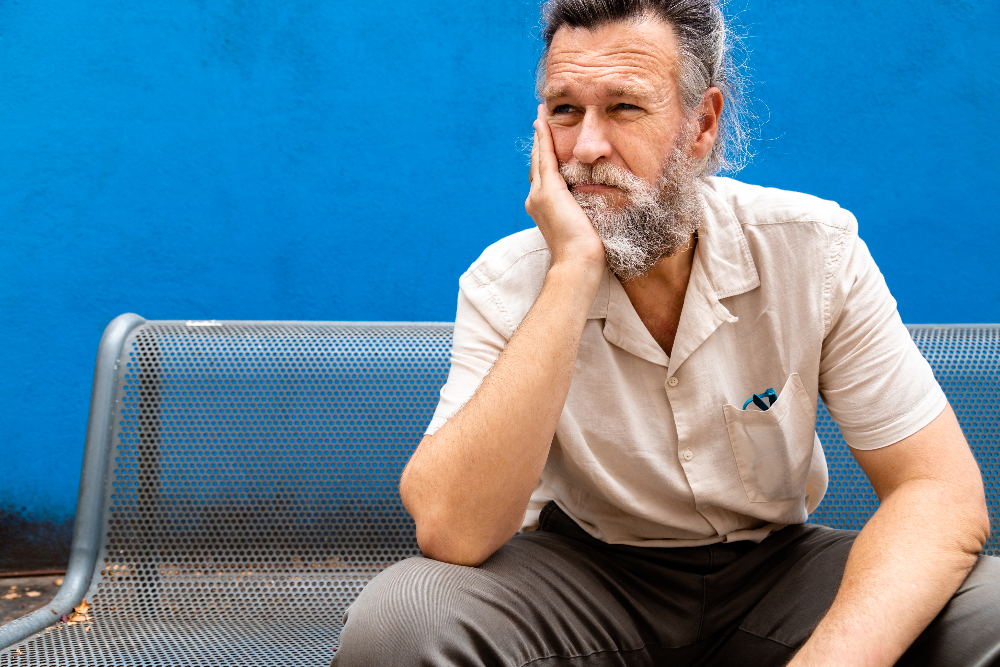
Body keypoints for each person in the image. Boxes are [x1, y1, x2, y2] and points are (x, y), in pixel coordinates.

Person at [332, 1, 999, 665]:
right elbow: (452, 529)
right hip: (580, 581)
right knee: (400, 622)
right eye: (565, 110)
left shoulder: (812, 249)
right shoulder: (506, 281)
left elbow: (938, 490)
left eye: (623, 108)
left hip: (777, 575)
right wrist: (571, 272)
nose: (587, 149)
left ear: (702, 123)